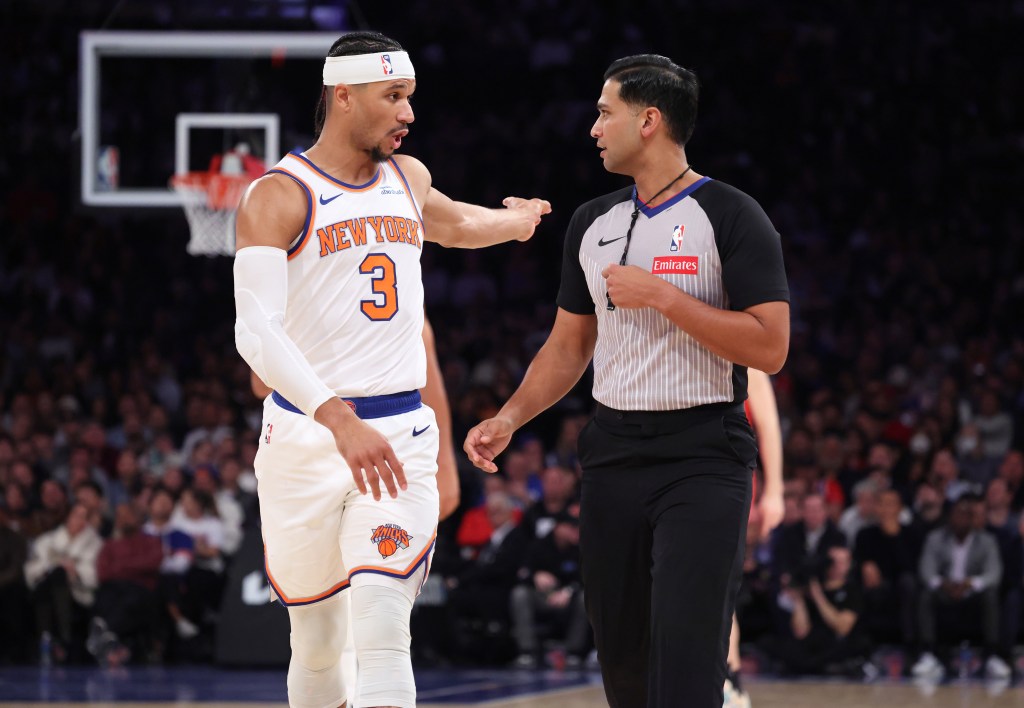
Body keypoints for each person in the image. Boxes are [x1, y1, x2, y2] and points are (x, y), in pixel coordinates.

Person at [232, 31, 549, 708]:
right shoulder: (278, 196)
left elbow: (457, 224)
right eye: (393, 96)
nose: (408, 112)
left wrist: (515, 224)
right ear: (343, 96)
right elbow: (255, 334)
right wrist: (337, 418)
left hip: (400, 434)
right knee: (316, 643)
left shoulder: (409, 177)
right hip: (305, 438)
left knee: (381, 627)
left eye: (410, 96)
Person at [465, 54, 789, 707]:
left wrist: (665, 298)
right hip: (612, 453)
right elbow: (567, 347)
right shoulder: (590, 223)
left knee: (688, 653)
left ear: (649, 120)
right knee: (622, 656)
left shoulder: (732, 215)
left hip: (703, 454)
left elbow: (771, 347)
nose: (593, 128)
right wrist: (509, 416)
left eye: (605, 112)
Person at [725, 368, 784, 708]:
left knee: (716, 585)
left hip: (729, 481)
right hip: (678, 480)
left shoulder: (747, 360)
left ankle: (729, 680)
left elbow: (769, 427)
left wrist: (774, 490)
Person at [911, 494, 1009, 680]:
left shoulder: (987, 541)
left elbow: (994, 574)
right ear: (950, 517)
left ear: (973, 519)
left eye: (966, 515)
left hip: (972, 594)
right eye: (958, 514)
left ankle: (992, 655)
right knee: (926, 595)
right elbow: (926, 571)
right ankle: (928, 654)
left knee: (991, 594)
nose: (962, 519)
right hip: (945, 592)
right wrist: (943, 584)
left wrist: (970, 583)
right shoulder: (935, 538)